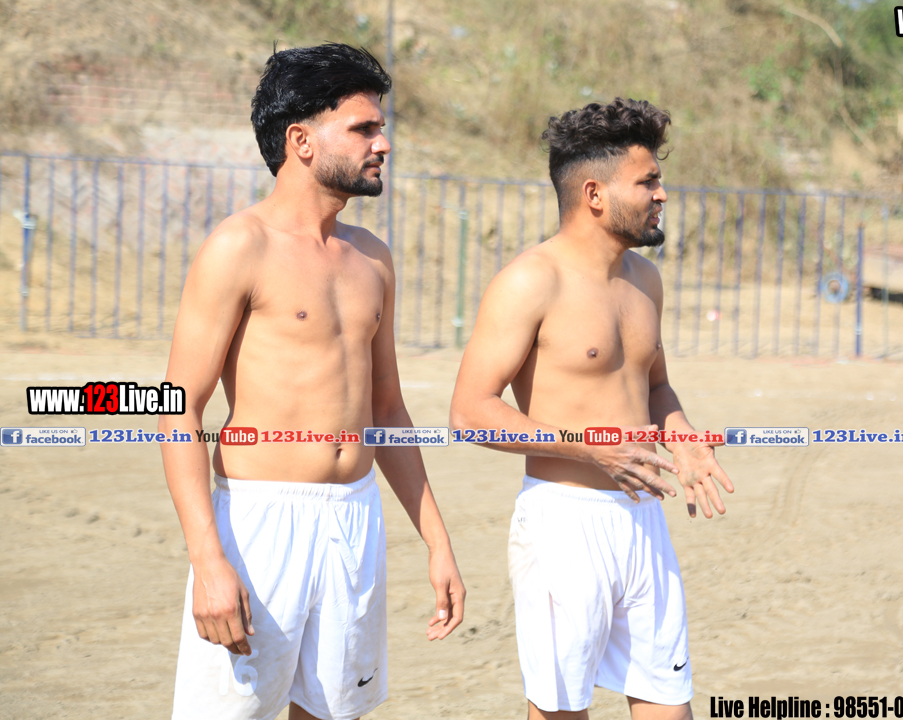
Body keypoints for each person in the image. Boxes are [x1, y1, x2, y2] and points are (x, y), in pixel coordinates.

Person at [160, 43, 465, 720]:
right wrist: (208, 560)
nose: (383, 144)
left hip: (354, 518)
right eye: (363, 128)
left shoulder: (373, 259)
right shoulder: (240, 246)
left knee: (332, 714)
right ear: (301, 140)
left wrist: (437, 541)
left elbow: (387, 408)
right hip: (261, 522)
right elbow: (177, 410)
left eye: (381, 127)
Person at [449, 98, 733, 720]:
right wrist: (589, 448)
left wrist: (682, 433)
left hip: (644, 520)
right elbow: (470, 412)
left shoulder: (645, 280)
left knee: (670, 706)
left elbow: (656, 386)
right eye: (648, 181)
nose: (662, 194)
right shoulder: (531, 280)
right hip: (564, 525)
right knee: (561, 713)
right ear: (594, 194)